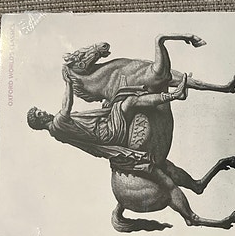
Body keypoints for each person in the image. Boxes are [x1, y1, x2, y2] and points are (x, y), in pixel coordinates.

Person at [27, 65, 188, 173]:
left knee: (117, 99)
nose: (44, 112)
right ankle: (174, 95)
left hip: (104, 128)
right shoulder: (57, 124)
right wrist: (68, 83)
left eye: (40, 111)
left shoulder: (56, 132)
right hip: (108, 131)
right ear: (40, 122)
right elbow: (66, 105)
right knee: (129, 101)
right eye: (40, 114)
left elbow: (86, 123)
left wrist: (106, 110)